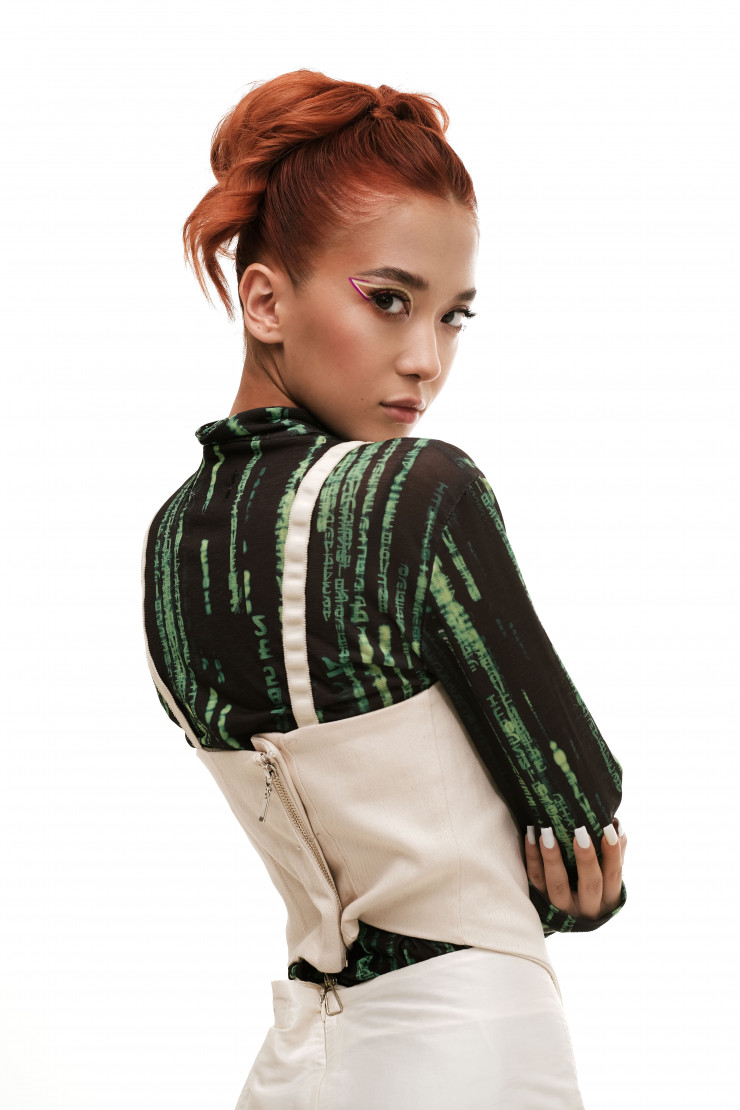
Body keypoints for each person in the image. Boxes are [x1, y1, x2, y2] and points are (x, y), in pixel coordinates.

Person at [142, 69, 627, 1109]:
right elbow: (581, 809)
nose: (425, 360)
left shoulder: (169, 543)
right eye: (389, 300)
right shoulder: (416, 493)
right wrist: (578, 884)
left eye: (454, 317)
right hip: (472, 1044)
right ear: (264, 300)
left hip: (302, 1056)